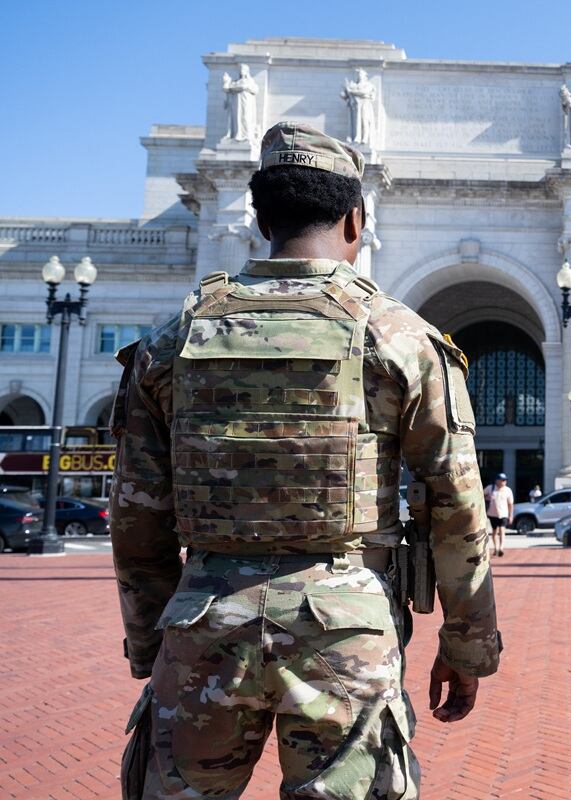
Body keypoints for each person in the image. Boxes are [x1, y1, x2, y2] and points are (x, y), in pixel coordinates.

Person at [109, 121, 500, 799]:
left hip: (203, 623)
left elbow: (138, 517)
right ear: (356, 218)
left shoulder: (174, 339)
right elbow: (457, 504)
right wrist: (467, 647)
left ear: (260, 217)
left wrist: (151, 641)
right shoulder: (399, 337)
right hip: (347, 630)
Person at [485, 473, 514, 556]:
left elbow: (510, 504)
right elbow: (482, 495)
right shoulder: (490, 488)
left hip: (503, 513)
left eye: (505, 480)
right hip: (492, 513)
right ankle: (496, 547)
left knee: (502, 530)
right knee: (494, 531)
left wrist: (511, 515)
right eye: (502, 480)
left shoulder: (508, 490)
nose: (503, 482)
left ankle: (501, 548)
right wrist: (487, 498)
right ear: (497, 480)